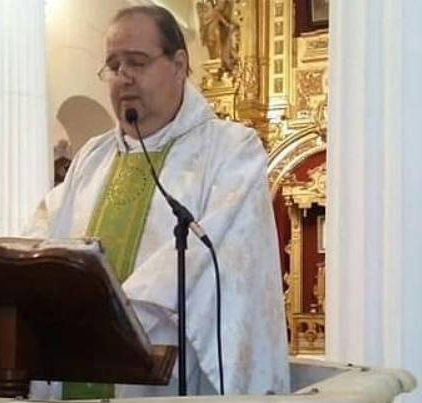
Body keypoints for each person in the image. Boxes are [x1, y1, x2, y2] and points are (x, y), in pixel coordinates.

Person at [25, 5, 289, 398]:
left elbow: (214, 253)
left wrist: (111, 315)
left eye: (137, 61)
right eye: (113, 65)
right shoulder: (92, 158)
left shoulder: (230, 151)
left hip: (166, 376)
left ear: (179, 65)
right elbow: (45, 234)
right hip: (74, 362)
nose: (123, 77)